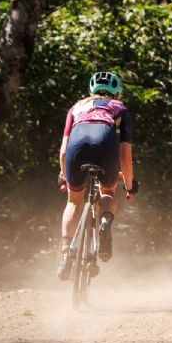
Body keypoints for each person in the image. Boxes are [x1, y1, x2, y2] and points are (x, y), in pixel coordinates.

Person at [57, 71, 136, 280]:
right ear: (117, 93)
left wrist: (64, 175)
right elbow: (125, 154)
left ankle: (66, 252)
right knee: (108, 191)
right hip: (105, 144)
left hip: (77, 147)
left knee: (74, 201)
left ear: (90, 91)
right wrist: (129, 185)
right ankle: (105, 224)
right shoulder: (120, 109)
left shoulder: (76, 108)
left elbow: (64, 150)